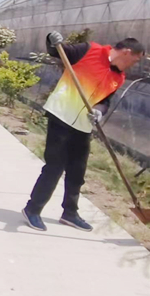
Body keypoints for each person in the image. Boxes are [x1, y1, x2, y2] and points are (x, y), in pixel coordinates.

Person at [22, 32, 145, 232]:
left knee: (77, 170)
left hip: (83, 125)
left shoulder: (118, 77)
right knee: (55, 166)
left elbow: (105, 101)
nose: (134, 65)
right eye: (135, 60)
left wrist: (99, 111)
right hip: (61, 115)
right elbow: (57, 50)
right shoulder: (90, 50)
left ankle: (69, 213)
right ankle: (32, 209)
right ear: (127, 52)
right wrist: (51, 38)